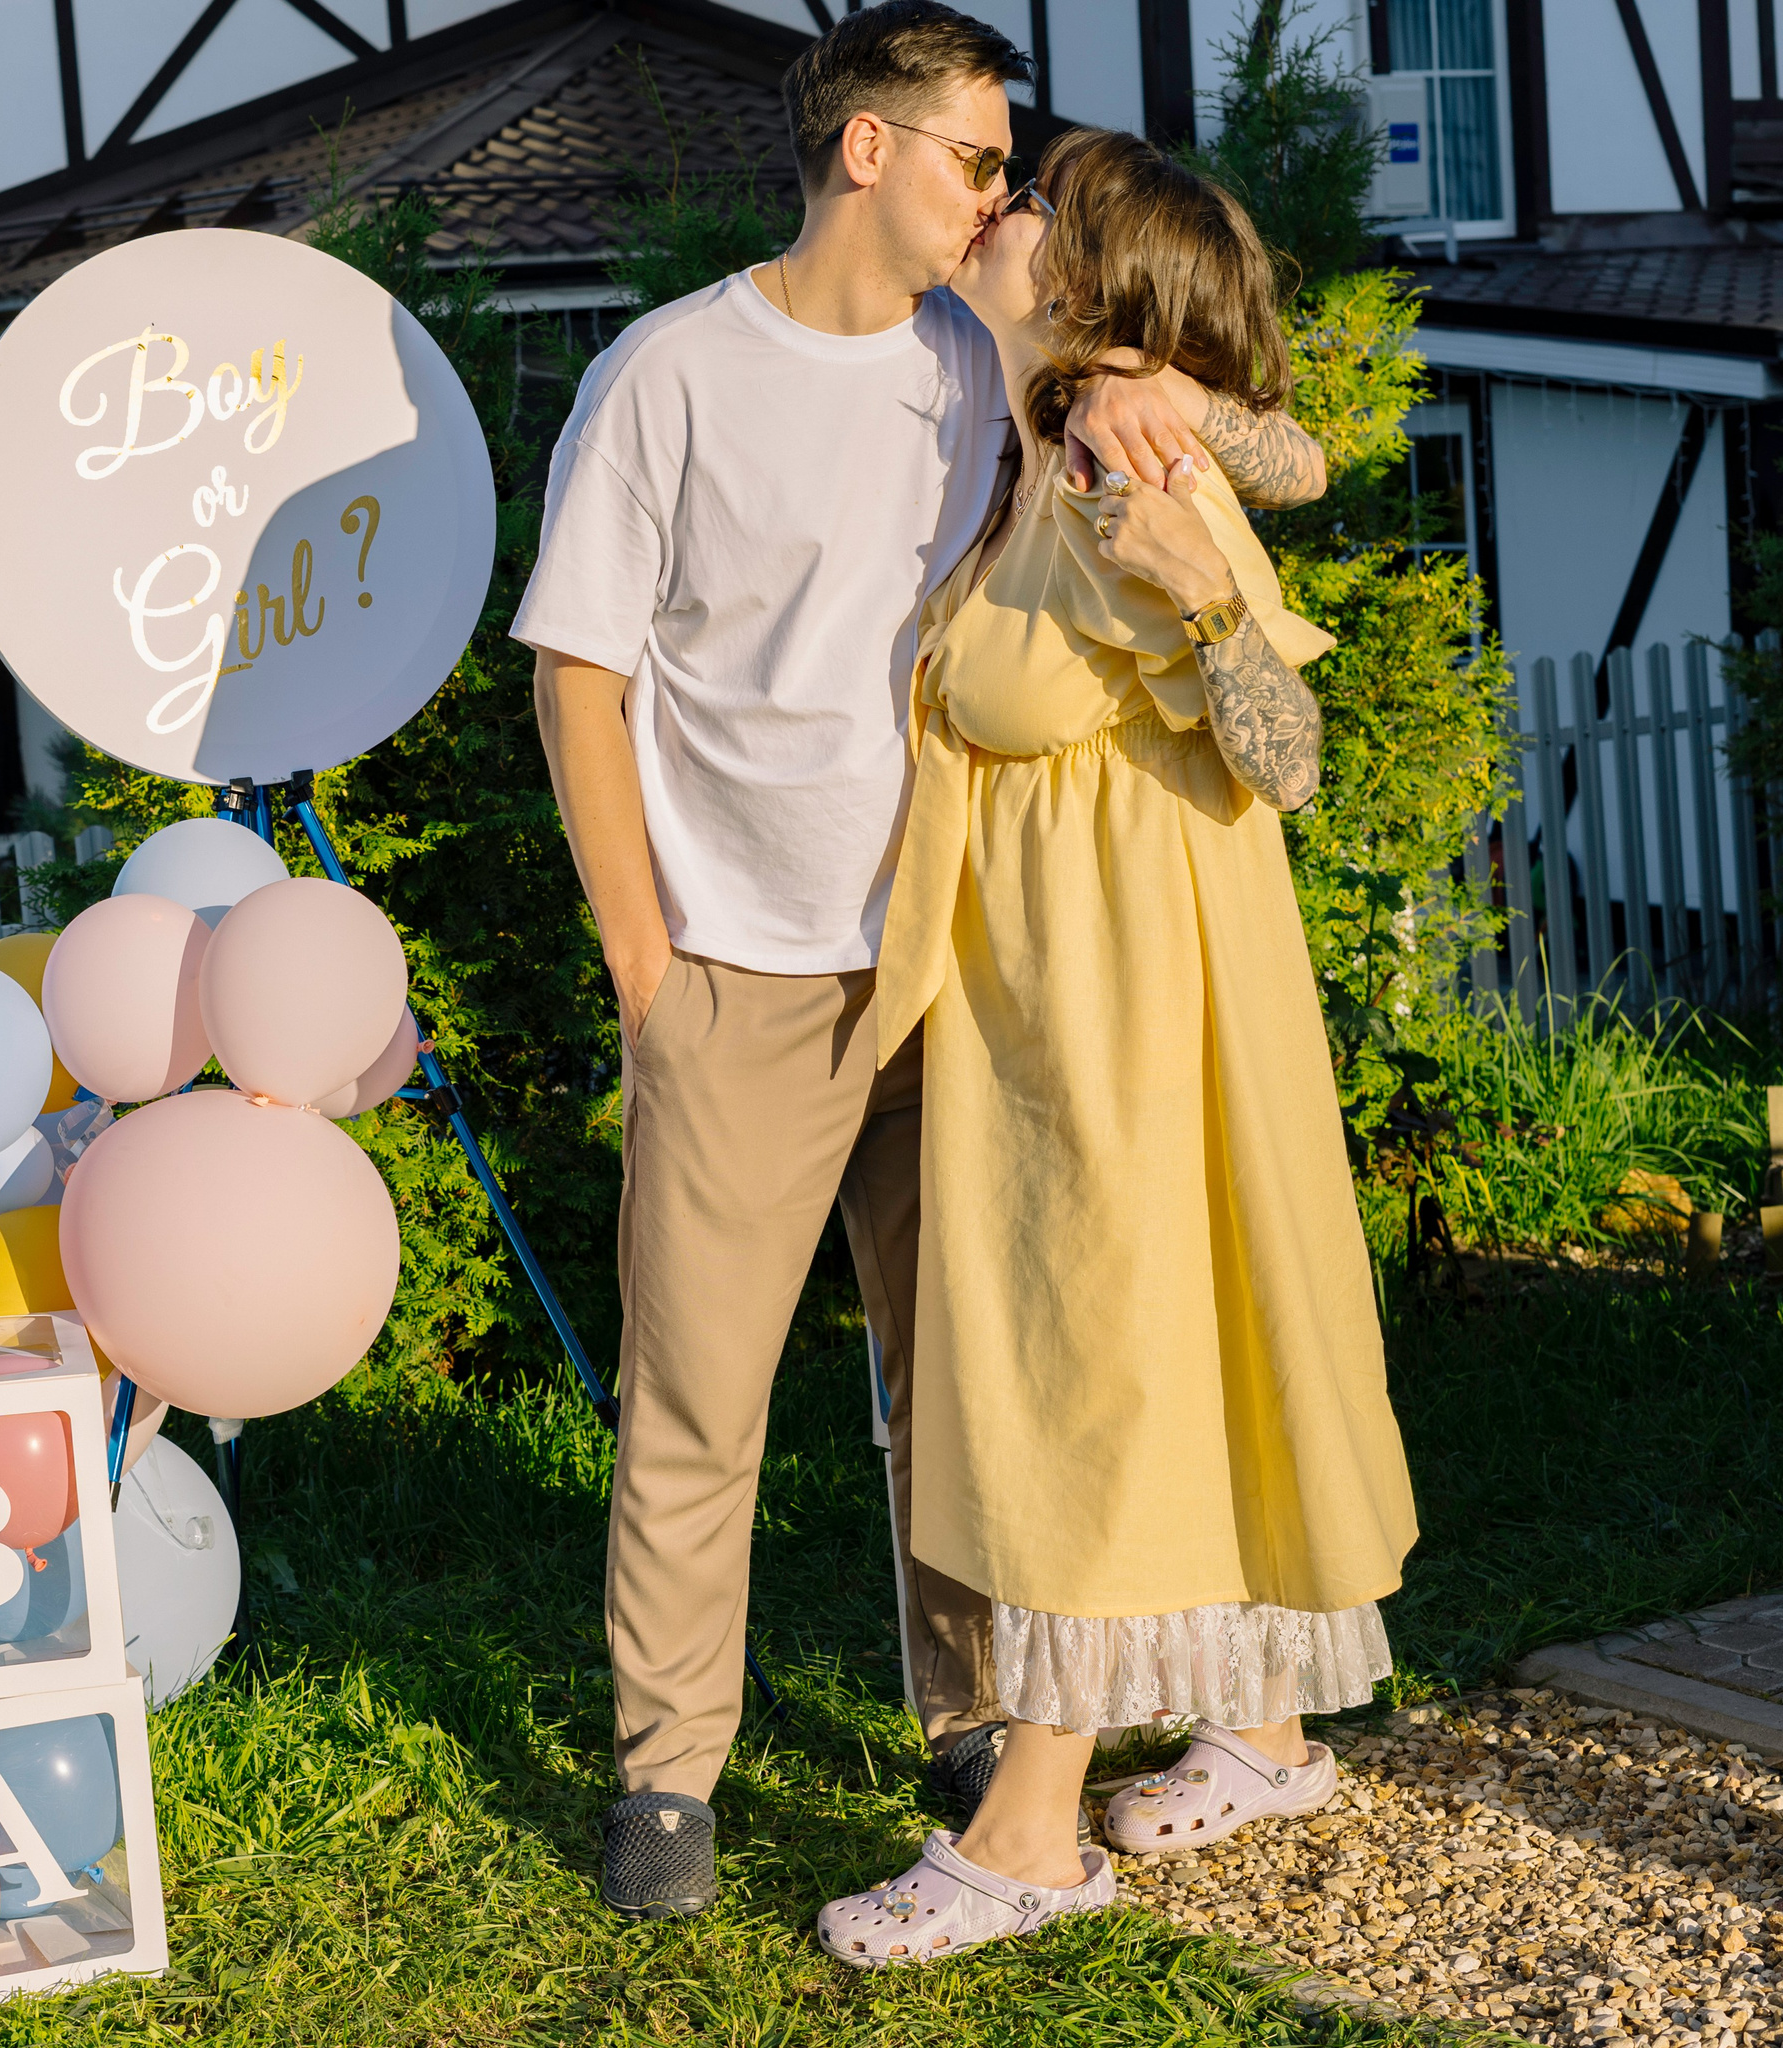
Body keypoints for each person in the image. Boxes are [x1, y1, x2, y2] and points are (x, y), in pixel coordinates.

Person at [513, 2, 1330, 1922]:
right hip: (740, 972)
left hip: (961, 968)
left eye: (1009, 172)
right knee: (695, 1405)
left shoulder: (999, 352)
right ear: (866, 151)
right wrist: (644, 961)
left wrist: (1154, 395)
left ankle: (973, 1731)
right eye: (978, 160)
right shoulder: (669, 375)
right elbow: (579, 677)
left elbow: (1285, 454)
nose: (999, 195)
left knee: (965, 1390)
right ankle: (668, 1784)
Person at [811, 128, 1418, 1968]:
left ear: (1088, 290)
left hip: (1132, 994)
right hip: (1060, 983)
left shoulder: (1119, 467)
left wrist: (1205, 571)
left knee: (1093, 1363)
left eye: (1040, 209)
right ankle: (1268, 1730)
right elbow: (1291, 438)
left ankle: (1026, 1834)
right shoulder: (1045, 430)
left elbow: (1289, 755)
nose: (1003, 209)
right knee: (1156, 1347)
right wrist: (1131, 397)